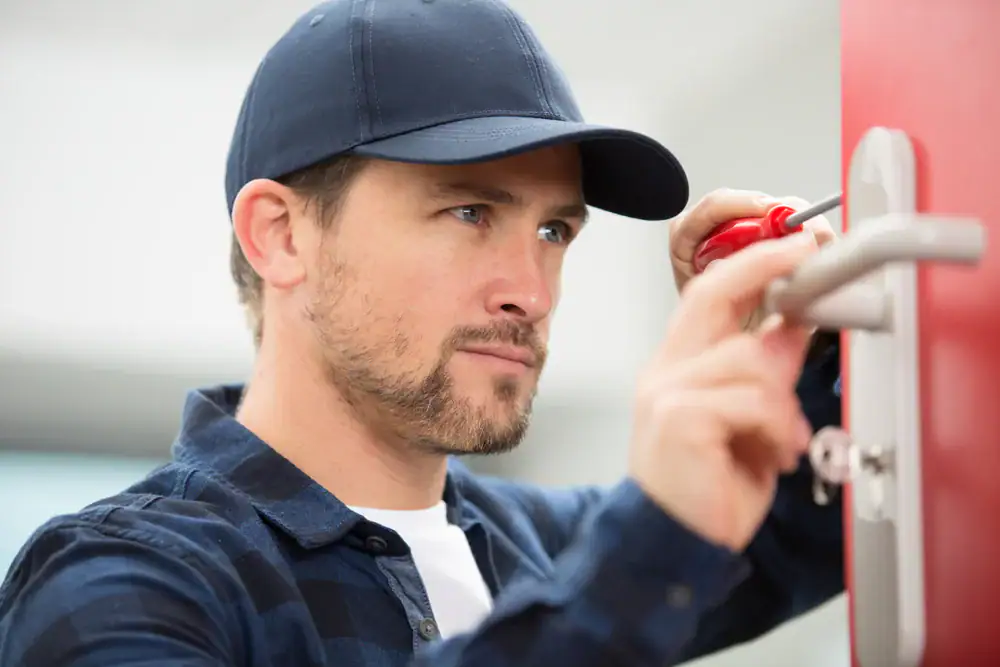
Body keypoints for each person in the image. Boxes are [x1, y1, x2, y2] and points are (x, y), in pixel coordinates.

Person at [0, 1, 844, 665]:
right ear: (282, 236)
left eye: (554, 230)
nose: (531, 293)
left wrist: (801, 344)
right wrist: (642, 561)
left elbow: (825, 507)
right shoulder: (123, 583)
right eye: (469, 212)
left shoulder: (544, 546)